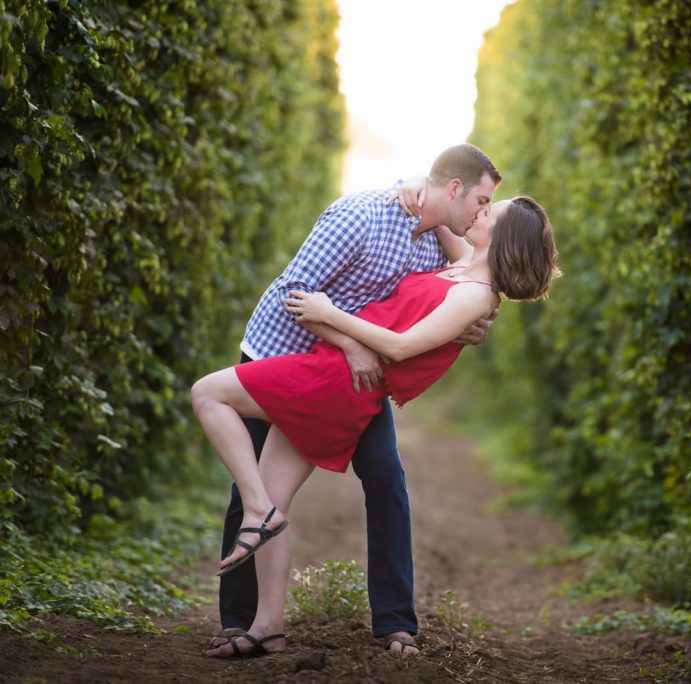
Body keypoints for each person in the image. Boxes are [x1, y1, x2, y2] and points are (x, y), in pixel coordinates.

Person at [191, 196, 559, 657]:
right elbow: (439, 203)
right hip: (332, 372)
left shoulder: (476, 295)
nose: (480, 212)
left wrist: (329, 315)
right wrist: (410, 183)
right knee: (271, 500)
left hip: (335, 383)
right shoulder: (466, 265)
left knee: (208, 393)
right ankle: (267, 626)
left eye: (492, 212)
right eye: (483, 203)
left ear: (506, 237)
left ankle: (259, 514)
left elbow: (402, 347)